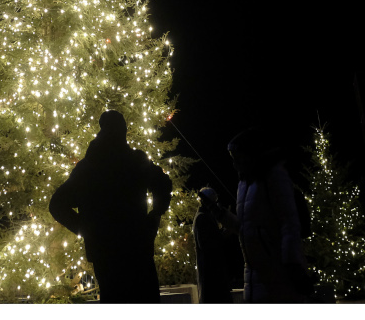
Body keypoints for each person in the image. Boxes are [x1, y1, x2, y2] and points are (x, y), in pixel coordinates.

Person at [49, 110, 172, 303]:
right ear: (123, 130)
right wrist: (154, 217)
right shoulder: (135, 161)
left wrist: (87, 230)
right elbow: (164, 185)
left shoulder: (87, 168)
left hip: (106, 253)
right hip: (137, 248)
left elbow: (57, 205)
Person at [213, 127, 311, 303]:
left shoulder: (274, 177)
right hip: (254, 275)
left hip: (278, 274)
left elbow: (289, 223)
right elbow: (245, 229)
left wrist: (292, 263)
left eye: (237, 157)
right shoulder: (243, 185)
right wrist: (222, 215)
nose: (235, 164)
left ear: (250, 153)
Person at [193, 187, 233, 303]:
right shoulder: (202, 217)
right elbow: (206, 245)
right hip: (211, 274)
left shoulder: (204, 216)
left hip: (212, 273)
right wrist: (225, 233)